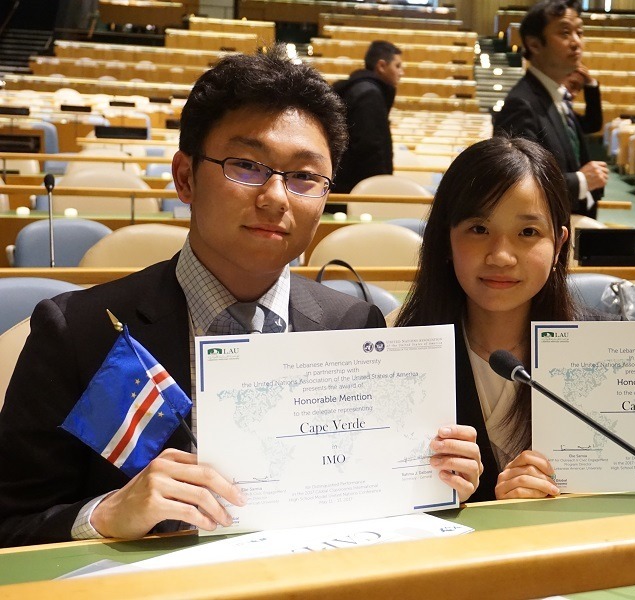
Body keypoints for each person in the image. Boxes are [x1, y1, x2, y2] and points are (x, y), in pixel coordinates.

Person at [0, 46, 480, 548]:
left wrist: (434, 479)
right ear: (185, 177)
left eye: (303, 177)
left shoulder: (353, 326)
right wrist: (106, 514)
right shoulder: (79, 332)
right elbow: (11, 525)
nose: (275, 197)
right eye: (246, 165)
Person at [394, 136, 618, 502]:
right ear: (446, 240)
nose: (501, 256)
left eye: (528, 232)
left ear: (559, 245)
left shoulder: (607, 354)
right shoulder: (398, 361)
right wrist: (437, 499)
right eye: (479, 229)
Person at [494, 0, 608, 219]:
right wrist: (581, 180)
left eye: (579, 32)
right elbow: (516, 184)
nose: (576, 42)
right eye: (565, 33)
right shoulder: (522, 104)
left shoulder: (555, 95)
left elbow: (590, 127)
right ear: (535, 45)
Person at [331, 40, 403, 195]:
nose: (401, 72)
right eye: (397, 66)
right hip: (357, 186)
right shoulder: (369, 94)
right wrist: (380, 189)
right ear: (382, 66)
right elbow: (371, 147)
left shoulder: (362, 89)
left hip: (348, 181)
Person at [563, 63, 603, 136]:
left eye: (579, 89)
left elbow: (593, 125)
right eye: (572, 85)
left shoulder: (567, 114)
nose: (575, 94)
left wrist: (590, 83)